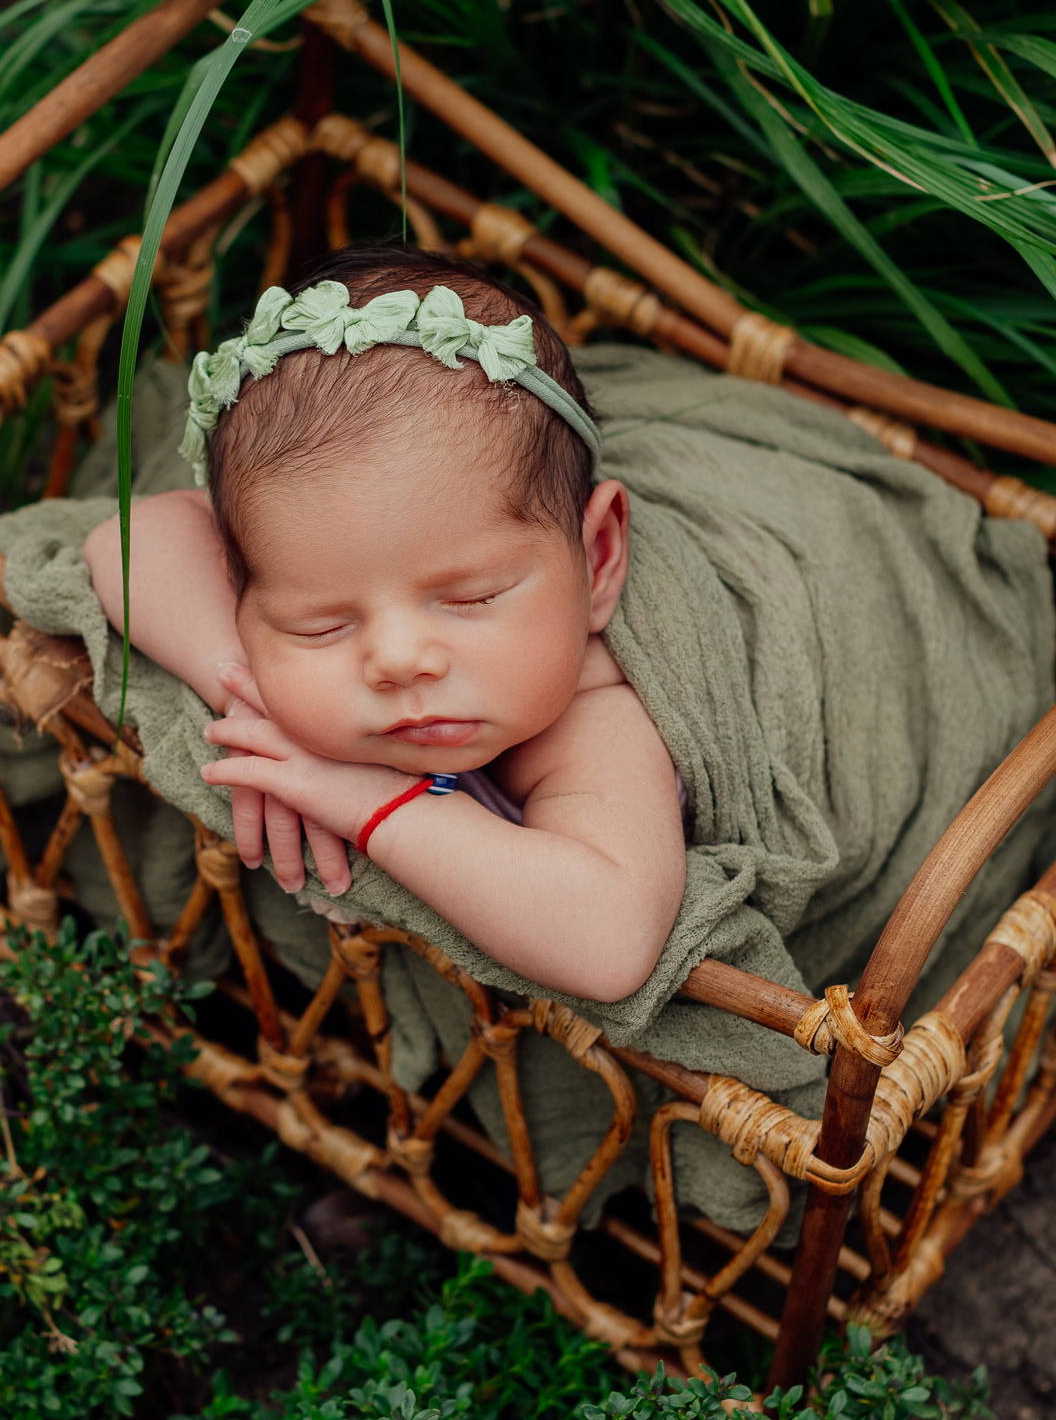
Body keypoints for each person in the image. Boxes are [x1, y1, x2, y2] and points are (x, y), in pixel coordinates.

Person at [84, 246, 684, 1004]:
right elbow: (124, 541)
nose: (398, 660)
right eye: (319, 625)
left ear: (596, 558)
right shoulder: (319, 552)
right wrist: (252, 695)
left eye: (471, 598)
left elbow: (609, 943)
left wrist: (373, 802)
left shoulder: (594, 713)